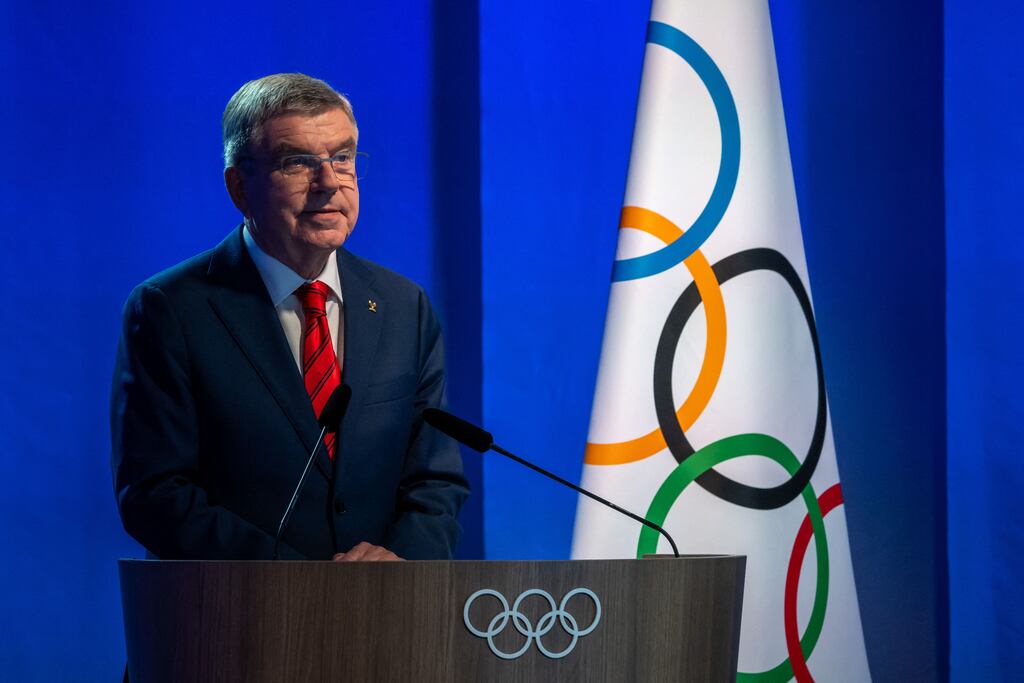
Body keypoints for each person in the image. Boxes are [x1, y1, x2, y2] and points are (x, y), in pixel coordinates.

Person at [110, 73, 468, 561]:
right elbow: (155, 494)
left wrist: (400, 563)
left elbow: (435, 478)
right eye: (298, 163)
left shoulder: (405, 306)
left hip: (388, 616)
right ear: (240, 187)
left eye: (342, 158)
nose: (328, 184)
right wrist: (298, 584)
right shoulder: (170, 309)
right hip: (236, 619)